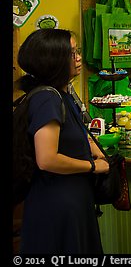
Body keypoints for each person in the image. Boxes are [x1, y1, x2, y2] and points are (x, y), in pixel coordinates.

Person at [16, 29, 109, 254]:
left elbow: (68, 134)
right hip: (56, 204)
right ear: (53, 60)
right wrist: (92, 166)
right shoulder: (47, 98)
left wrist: (90, 145)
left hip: (72, 198)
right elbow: (47, 159)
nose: (78, 58)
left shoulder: (61, 94)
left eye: (77, 51)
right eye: (71, 53)